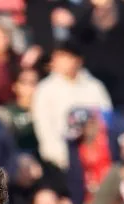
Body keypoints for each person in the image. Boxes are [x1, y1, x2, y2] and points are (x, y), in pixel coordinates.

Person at [31, 41, 113, 171]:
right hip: (59, 161)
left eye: (65, 57)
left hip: (96, 157)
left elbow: (106, 120)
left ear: (78, 60)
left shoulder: (94, 87)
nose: (60, 61)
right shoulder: (45, 89)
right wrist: (62, 157)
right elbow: (44, 128)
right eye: (57, 57)